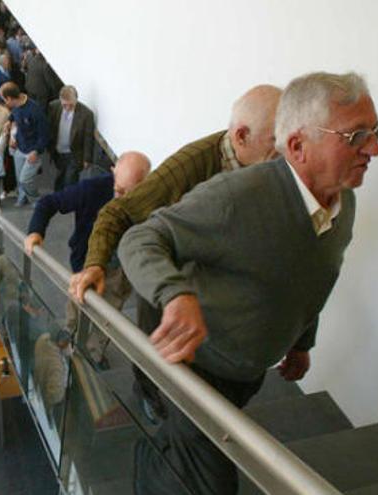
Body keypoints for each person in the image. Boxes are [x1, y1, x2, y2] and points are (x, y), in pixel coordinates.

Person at [119, 72, 378, 495]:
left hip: (247, 372)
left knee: (186, 452)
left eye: (375, 131)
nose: (374, 148)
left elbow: (320, 273)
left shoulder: (343, 202)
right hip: (194, 369)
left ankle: (158, 450)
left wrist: (302, 341)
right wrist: (175, 294)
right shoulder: (236, 197)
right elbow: (141, 238)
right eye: (356, 137)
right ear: (297, 146)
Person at [69, 84, 282, 423]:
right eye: (277, 139)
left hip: (216, 308)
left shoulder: (269, 170)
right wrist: (95, 264)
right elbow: (117, 213)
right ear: (242, 136)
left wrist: (299, 340)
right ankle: (151, 397)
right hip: (169, 293)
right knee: (160, 357)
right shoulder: (191, 166)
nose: (286, 150)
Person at [25, 152, 150, 361]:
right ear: (113, 172)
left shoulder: (151, 198)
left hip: (120, 271)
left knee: (109, 316)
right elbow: (48, 202)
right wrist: (35, 231)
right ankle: (70, 335)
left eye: (130, 194)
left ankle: (94, 353)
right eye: (118, 191)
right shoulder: (92, 189)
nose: (121, 200)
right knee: (76, 303)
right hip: (85, 264)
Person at [1, 81, 49, 206]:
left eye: (5, 100)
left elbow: (44, 135)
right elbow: (14, 115)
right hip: (19, 148)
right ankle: (22, 198)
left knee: (25, 179)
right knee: (19, 178)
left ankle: (37, 200)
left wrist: (36, 151)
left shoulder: (35, 110)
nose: (5, 103)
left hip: (32, 151)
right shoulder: (16, 106)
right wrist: (8, 122)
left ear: (10, 98)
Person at [48, 85, 96, 190]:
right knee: (59, 179)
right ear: (60, 101)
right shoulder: (53, 107)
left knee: (70, 181)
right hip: (58, 152)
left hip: (74, 153)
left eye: (71, 105)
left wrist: (87, 158)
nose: (68, 108)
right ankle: (58, 202)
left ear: (76, 100)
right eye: (65, 105)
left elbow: (88, 138)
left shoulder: (86, 114)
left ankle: (68, 204)